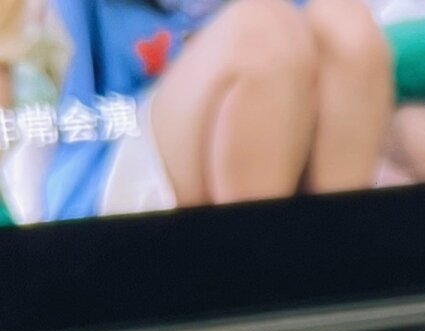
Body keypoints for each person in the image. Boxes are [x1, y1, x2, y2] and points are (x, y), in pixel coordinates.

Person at [44, 0, 394, 221]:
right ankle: (256, 295)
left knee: (345, 27)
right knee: (260, 35)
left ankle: (342, 272)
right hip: (105, 175)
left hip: (265, 122)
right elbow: (68, 125)